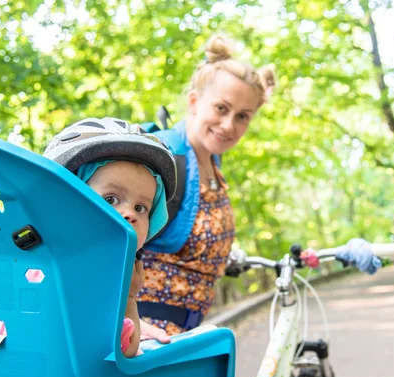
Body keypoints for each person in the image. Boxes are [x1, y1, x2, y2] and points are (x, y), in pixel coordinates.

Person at [136, 35, 277, 336]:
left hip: (184, 333)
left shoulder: (212, 162)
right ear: (194, 102)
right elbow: (108, 239)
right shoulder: (163, 158)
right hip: (146, 335)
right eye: (221, 109)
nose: (229, 125)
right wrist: (128, 322)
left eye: (242, 116)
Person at [43, 117, 177, 357]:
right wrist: (130, 297)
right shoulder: (78, 274)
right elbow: (123, 352)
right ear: (67, 203)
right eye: (111, 200)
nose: (130, 214)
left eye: (140, 208)